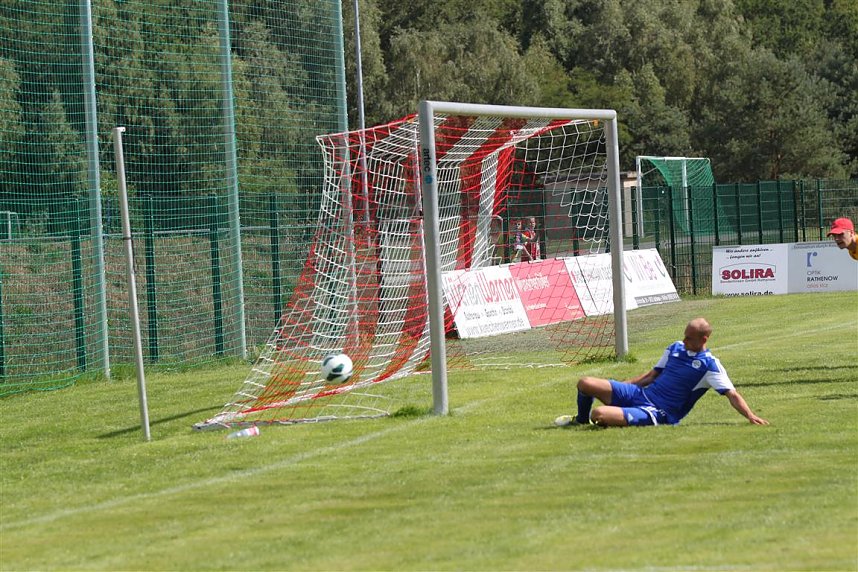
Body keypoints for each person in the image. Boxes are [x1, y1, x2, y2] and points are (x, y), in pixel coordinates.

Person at [555, 318, 769, 427]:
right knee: (585, 383)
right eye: (684, 336)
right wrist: (624, 387)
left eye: (689, 338)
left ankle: (615, 419)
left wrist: (750, 416)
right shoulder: (675, 348)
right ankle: (580, 421)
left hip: (659, 412)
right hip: (640, 395)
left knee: (599, 414)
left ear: (703, 340)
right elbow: (651, 376)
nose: (684, 341)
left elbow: (732, 394)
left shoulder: (710, 366)